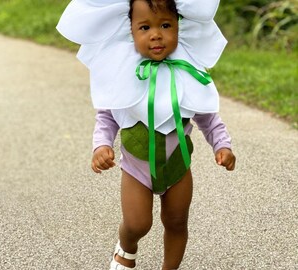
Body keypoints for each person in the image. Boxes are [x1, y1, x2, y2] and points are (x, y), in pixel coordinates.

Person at [57, 0, 236, 269]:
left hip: (178, 164)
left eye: (166, 25)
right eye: (144, 27)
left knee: (177, 221)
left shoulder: (188, 69)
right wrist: (101, 145)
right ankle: (126, 249)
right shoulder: (122, 71)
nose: (156, 34)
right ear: (129, 30)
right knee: (137, 223)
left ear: (181, 27)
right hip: (136, 168)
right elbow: (107, 115)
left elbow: (207, 115)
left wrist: (222, 145)